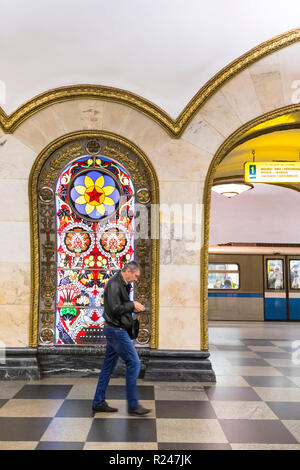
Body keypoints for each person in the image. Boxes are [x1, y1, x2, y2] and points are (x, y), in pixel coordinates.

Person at [92, 261, 151, 416]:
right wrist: (132, 305)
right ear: (128, 271)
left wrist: (134, 307)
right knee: (134, 362)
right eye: (136, 276)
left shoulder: (123, 283)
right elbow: (114, 309)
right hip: (116, 331)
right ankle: (133, 405)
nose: (136, 279)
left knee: (108, 367)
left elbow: (120, 306)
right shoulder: (114, 284)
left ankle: (98, 402)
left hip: (115, 329)